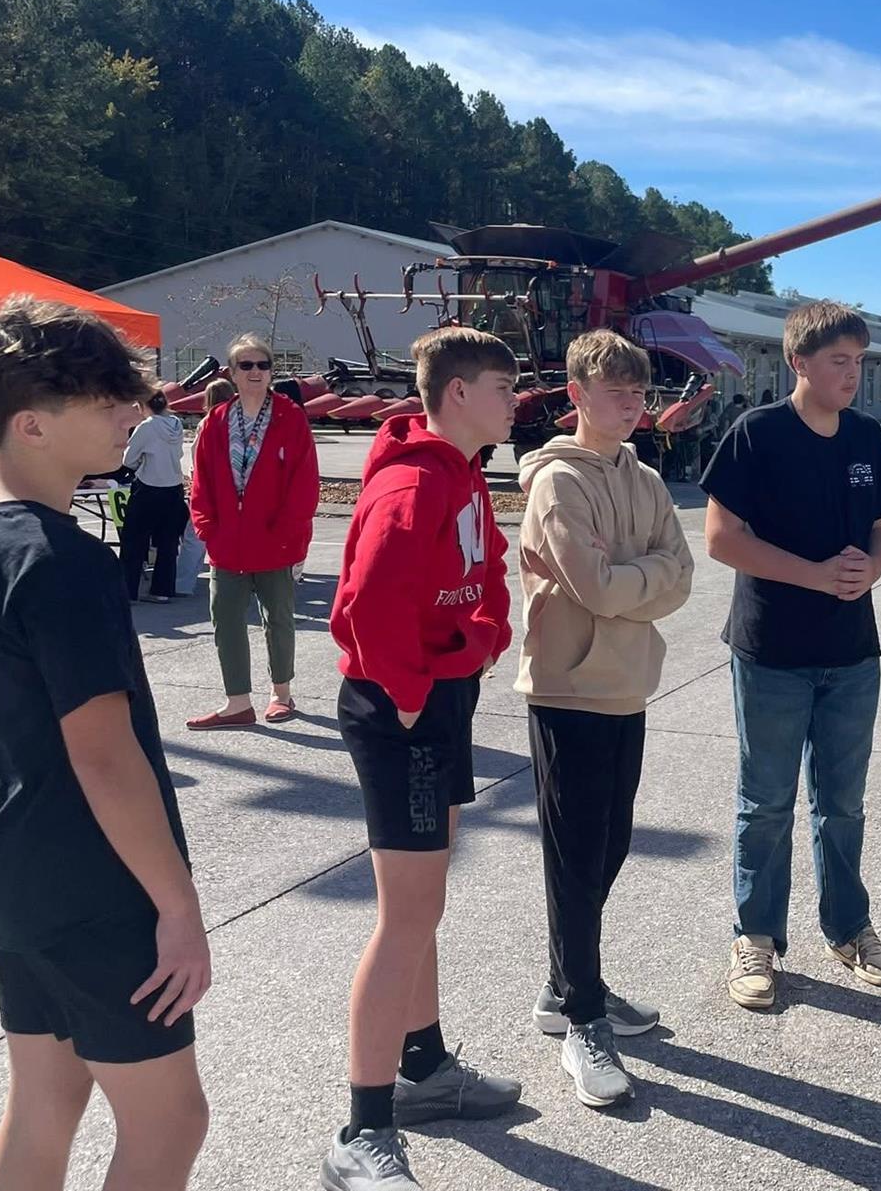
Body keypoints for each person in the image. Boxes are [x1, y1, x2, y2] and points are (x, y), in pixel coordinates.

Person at [0, 299, 209, 1190]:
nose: (132, 413)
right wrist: (176, 903)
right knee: (170, 1120)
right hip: (91, 880)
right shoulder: (62, 558)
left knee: (45, 1103)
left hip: (11, 866)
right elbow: (103, 753)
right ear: (32, 424)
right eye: (107, 401)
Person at [322, 327, 523, 1189]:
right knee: (405, 917)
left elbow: (487, 576)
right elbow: (365, 601)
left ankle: (426, 1068)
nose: (516, 402)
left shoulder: (465, 472)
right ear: (456, 394)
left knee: (424, 904)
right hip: (402, 707)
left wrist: (479, 640)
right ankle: (362, 1129)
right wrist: (410, 692)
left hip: (440, 695)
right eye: (502, 387)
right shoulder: (412, 481)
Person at [702, 301, 881, 1009]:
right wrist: (816, 574)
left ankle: (849, 927)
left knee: (843, 803)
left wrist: (873, 570)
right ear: (799, 362)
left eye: (857, 361)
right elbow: (722, 538)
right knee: (766, 802)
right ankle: (755, 937)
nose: (851, 375)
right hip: (772, 651)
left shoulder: (864, 436)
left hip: (852, 653)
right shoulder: (757, 434)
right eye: (837, 362)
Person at [516, 329, 694, 1108]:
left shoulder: (645, 478)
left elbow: (681, 575)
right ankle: (581, 1017)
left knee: (609, 844)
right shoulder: (558, 481)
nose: (633, 405)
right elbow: (592, 585)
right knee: (575, 856)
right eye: (617, 392)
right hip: (569, 690)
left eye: (639, 393)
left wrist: (633, 578)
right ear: (577, 394)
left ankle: (570, 984)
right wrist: (636, 579)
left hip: (628, 687)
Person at [187, 336, 319, 729]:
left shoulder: (289, 417)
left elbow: (304, 482)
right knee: (225, 620)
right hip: (227, 543)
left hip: (275, 541)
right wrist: (208, 529)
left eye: (263, 365)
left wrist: (290, 532)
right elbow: (202, 482)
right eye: (247, 366)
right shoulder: (216, 421)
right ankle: (237, 702)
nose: (256, 372)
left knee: (278, 619)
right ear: (232, 372)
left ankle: (282, 694)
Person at [120, 389, 190, 606]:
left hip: (149, 487)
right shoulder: (176, 424)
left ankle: (128, 591)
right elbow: (178, 454)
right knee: (168, 543)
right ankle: (162, 590)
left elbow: (128, 459)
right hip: (173, 487)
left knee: (134, 541)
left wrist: (140, 462)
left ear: (143, 405)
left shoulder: (146, 427)